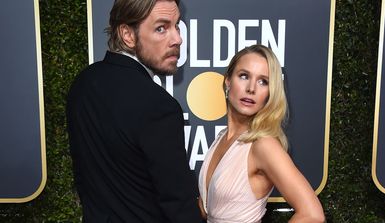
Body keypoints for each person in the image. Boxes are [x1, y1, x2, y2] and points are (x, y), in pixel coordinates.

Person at [66, 0, 202, 222]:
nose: (177, 39)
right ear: (127, 35)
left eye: (177, 26)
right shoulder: (160, 106)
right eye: (161, 28)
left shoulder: (83, 84)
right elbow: (178, 203)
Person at [198, 44, 325, 223]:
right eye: (244, 76)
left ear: (270, 92)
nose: (251, 88)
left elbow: (312, 215)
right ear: (227, 81)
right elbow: (209, 211)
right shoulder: (221, 138)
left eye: (263, 81)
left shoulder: (263, 145)